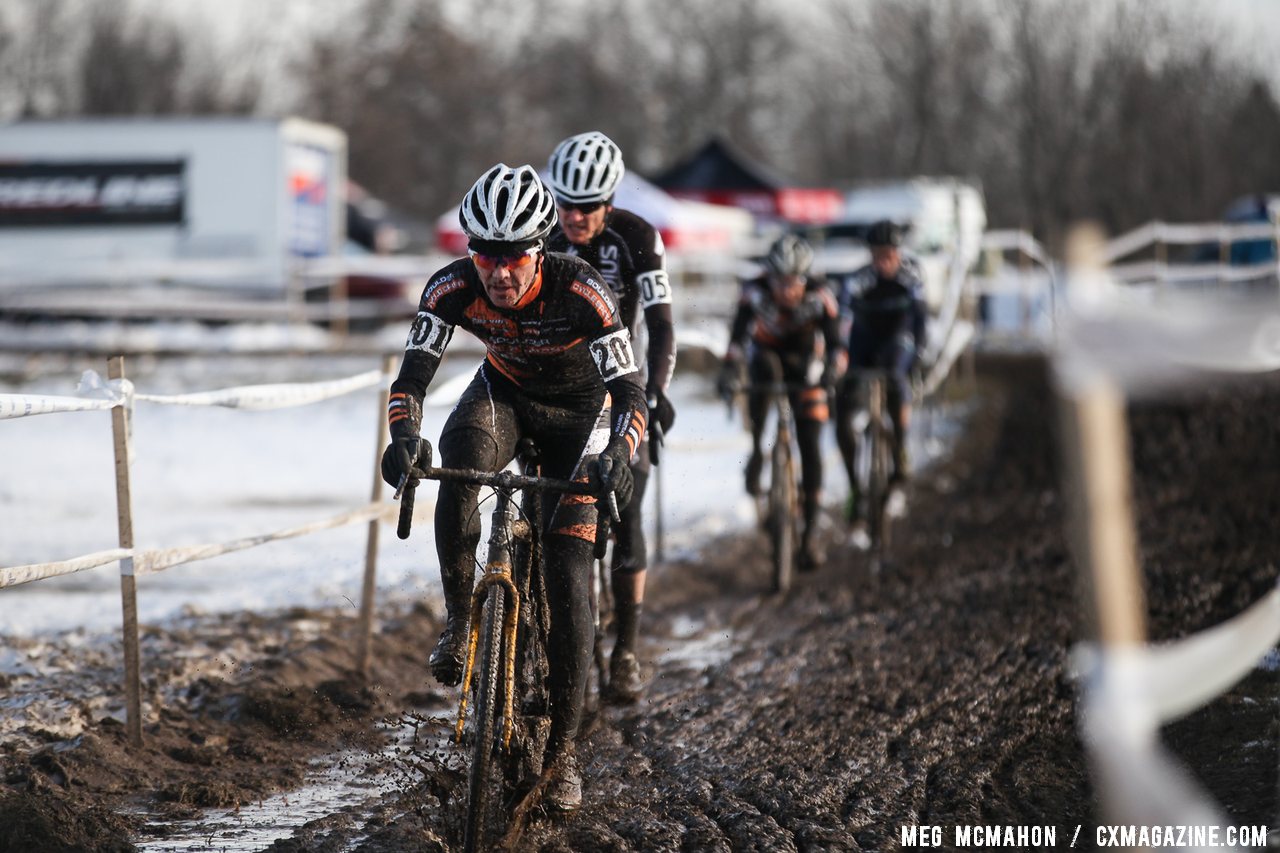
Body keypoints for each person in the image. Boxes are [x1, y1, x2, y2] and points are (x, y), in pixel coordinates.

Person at [380, 163, 647, 812]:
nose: (498, 273)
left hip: (582, 413)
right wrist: (403, 435)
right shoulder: (450, 286)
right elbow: (411, 379)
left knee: (566, 565)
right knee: (459, 452)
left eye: (513, 258)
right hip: (505, 394)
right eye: (485, 257)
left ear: (541, 249)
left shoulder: (581, 290)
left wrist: (620, 452)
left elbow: (630, 393)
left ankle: (561, 755)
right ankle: (457, 623)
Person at [544, 131, 676, 704]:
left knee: (627, 514)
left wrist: (656, 391)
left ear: (610, 201)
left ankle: (626, 647)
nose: (573, 216)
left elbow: (663, 323)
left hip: (618, 382)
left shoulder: (638, 237)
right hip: (551, 383)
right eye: (565, 203)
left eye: (587, 206)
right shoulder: (541, 229)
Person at [717, 233, 843, 571]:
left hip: (806, 365)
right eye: (779, 282)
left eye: (793, 282)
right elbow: (737, 340)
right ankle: (758, 450)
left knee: (811, 442)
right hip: (767, 360)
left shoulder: (821, 296)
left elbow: (836, 346)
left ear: (805, 279)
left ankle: (810, 534)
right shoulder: (753, 292)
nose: (786, 290)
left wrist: (833, 371)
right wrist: (729, 370)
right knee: (762, 374)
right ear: (768, 277)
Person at [833, 219, 928, 526]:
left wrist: (920, 356)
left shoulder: (912, 275)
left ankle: (900, 448)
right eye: (878, 254)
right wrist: (841, 354)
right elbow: (844, 317)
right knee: (844, 412)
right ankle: (854, 488)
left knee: (897, 378)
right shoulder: (858, 279)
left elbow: (921, 320)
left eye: (890, 254)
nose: (884, 261)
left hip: (897, 341)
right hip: (864, 343)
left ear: (899, 253)